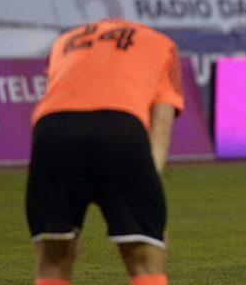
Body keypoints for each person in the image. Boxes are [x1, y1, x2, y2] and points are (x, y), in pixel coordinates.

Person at [26, 19, 184, 285]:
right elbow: (161, 124)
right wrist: (150, 194)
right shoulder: (161, 44)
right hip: (120, 127)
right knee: (144, 260)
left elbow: (55, 95)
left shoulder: (64, 41)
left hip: (53, 129)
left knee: (52, 259)